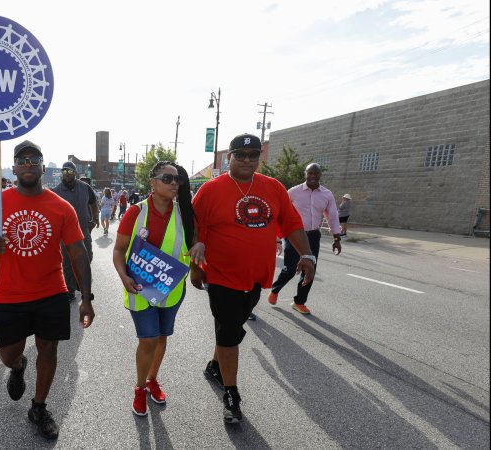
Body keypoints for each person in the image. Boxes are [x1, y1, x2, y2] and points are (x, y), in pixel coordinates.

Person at [0, 140, 95, 440]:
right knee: (8, 355)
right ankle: (18, 366)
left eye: (33, 159)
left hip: (51, 292)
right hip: (10, 295)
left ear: (42, 166)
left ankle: (38, 407)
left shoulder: (60, 207)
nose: (27, 164)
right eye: (21, 159)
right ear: (13, 167)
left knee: (48, 349)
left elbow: (78, 253)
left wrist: (86, 298)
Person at [190, 133, 315, 424]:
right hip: (221, 274)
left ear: (259, 158)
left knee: (232, 325)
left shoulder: (273, 188)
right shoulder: (210, 190)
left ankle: (214, 364)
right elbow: (194, 229)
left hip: (257, 276)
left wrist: (307, 255)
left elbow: (291, 224)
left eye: (253, 155)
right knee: (229, 330)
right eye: (240, 155)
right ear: (229, 158)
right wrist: (195, 266)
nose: (247, 160)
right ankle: (231, 395)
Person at [113, 161, 194, 416]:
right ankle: (139, 387)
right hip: (139, 288)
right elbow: (118, 250)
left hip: (171, 289)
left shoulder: (185, 214)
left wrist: (199, 245)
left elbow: (196, 241)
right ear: (153, 182)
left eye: (176, 180)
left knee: (161, 338)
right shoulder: (136, 212)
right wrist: (123, 276)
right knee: (147, 339)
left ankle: (152, 379)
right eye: (167, 179)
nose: (173, 184)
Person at [267, 163, 342, 315]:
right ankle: (275, 290)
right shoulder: (293, 192)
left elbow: (332, 216)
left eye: (316, 173)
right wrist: (277, 238)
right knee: (289, 269)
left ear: (320, 175)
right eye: (310, 173)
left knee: (309, 270)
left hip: (313, 235)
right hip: (294, 234)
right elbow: (280, 214)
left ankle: (299, 302)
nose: (313, 176)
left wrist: (337, 238)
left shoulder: (326, 194)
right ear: (305, 174)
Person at [51, 161, 99, 299]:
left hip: (84, 229)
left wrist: (95, 219)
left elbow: (93, 202)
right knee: (67, 262)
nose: (67, 174)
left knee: (87, 256)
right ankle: (70, 290)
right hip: (65, 232)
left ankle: (80, 280)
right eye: (64, 171)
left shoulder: (85, 187)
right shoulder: (56, 191)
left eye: (70, 171)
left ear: (75, 173)